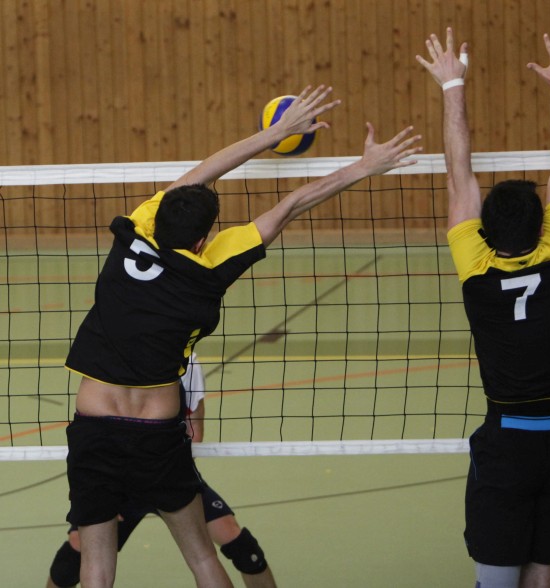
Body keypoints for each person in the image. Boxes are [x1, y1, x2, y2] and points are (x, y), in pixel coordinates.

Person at [62, 83, 422, 587]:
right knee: (202, 559)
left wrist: (272, 134)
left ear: (160, 213)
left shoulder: (135, 231)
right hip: (156, 436)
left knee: (96, 568)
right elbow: (292, 205)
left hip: (94, 425)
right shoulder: (209, 270)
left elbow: (204, 170)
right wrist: (364, 167)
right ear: (203, 240)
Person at [417, 28, 550, 588]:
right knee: (542, 577)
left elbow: (458, 172)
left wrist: (453, 84)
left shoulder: (475, 265)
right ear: (543, 225)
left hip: (508, 441)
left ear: (484, 231)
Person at [48, 354, 277, 588]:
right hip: (118, 481)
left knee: (244, 549)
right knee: (71, 562)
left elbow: (195, 431)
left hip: (166, 471)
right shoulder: (114, 351)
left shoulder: (187, 361)